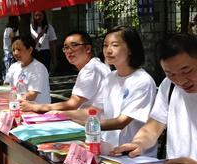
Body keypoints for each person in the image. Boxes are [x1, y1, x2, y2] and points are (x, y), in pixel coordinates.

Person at [63, 26, 157, 155]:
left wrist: (81, 124)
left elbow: (121, 122)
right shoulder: (110, 78)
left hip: (132, 155)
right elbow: (95, 111)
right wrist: (62, 115)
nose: (108, 50)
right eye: (105, 45)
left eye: (115, 45)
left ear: (130, 49)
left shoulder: (142, 81)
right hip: (109, 149)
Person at [114, 34, 197, 164]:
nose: (181, 80)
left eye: (187, 71)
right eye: (170, 74)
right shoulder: (168, 86)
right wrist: (138, 143)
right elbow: (154, 125)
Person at [21, 31, 110, 113]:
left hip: (96, 125)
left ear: (88, 48)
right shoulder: (94, 65)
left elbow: (73, 104)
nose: (69, 51)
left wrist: (38, 107)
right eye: (66, 47)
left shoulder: (91, 69)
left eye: (74, 45)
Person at [4, 35, 51, 104]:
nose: (15, 53)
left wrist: (13, 97)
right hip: (18, 107)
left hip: (38, 111)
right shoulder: (13, 67)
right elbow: (6, 87)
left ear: (30, 50)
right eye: (13, 50)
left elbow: (32, 95)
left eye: (19, 49)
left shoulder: (38, 68)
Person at [3, 16, 19, 80]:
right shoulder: (9, 29)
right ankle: (8, 80)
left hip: (7, 51)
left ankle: (8, 80)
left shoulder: (8, 29)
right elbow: (13, 40)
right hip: (9, 52)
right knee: (10, 68)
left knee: (8, 67)